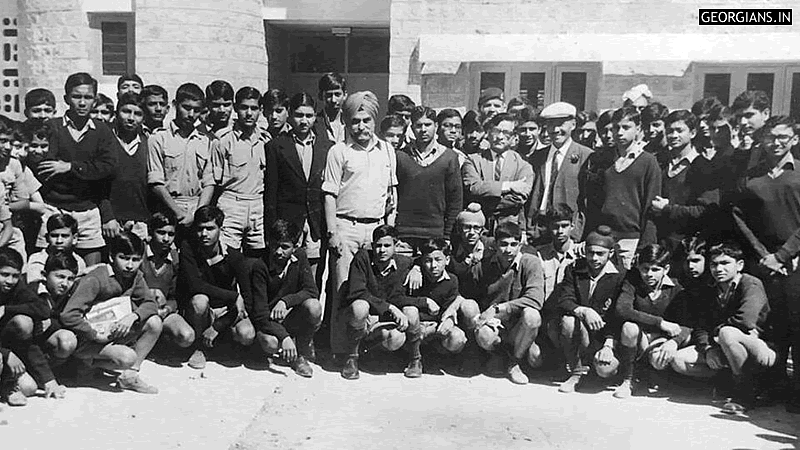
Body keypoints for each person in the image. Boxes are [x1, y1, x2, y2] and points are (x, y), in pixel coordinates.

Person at [731, 116, 800, 413]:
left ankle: (797, 394)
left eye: (783, 137)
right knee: (770, 328)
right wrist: (764, 256)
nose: (777, 142)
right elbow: (738, 217)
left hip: (795, 262)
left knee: (797, 328)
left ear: (794, 139)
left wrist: (784, 255)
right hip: (763, 264)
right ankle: (768, 388)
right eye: (771, 137)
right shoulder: (752, 177)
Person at [322, 91, 398, 356]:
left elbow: (392, 195)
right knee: (344, 291)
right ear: (346, 122)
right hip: (346, 229)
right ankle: (343, 352)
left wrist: (388, 231)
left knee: (375, 292)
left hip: (376, 231)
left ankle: (373, 350)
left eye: (366, 120)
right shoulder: (338, 151)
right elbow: (329, 195)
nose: (361, 126)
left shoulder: (387, 150)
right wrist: (333, 233)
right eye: (355, 121)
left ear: (375, 121)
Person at [671, 242, 774, 414]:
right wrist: (708, 348)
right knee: (678, 360)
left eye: (725, 263)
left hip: (761, 347)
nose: (718, 269)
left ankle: (745, 394)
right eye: (714, 264)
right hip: (725, 345)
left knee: (727, 333)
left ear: (739, 265)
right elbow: (701, 326)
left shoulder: (751, 284)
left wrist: (716, 332)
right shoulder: (711, 289)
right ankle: (727, 380)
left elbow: (745, 321)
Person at [60, 232, 162, 394]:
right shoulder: (96, 278)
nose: (130, 265)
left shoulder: (135, 276)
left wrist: (133, 316)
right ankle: (82, 363)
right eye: (124, 258)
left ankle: (129, 377)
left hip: (111, 331)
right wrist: (93, 335)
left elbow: (150, 303)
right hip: (87, 338)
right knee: (127, 357)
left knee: (154, 322)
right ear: (112, 257)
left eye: (135, 260)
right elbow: (69, 315)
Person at [37, 72, 118, 265]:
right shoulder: (52, 127)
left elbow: (108, 168)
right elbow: (45, 166)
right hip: (54, 208)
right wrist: (89, 171)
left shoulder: (102, 131)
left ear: (94, 100)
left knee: (93, 271)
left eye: (88, 98)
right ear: (66, 99)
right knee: (48, 267)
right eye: (76, 97)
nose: (82, 103)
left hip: (87, 210)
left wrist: (70, 167)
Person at [178, 206, 264, 369]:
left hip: (226, 312)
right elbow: (195, 285)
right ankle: (199, 347)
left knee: (247, 334)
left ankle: (225, 343)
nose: (204, 234)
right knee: (199, 301)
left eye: (210, 229)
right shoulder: (189, 249)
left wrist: (218, 326)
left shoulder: (234, 257)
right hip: (202, 311)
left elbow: (247, 299)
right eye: (200, 229)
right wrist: (233, 296)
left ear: (221, 229)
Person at [339, 225, 427, 379]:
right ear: (372, 245)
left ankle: (415, 360)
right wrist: (390, 307)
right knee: (360, 306)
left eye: (387, 245)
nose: (382, 250)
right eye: (378, 245)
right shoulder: (363, 258)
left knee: (408, 317)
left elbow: (422, 259)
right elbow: (357, 291)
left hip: (387, 320)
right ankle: (352, 358)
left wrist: (417, 268)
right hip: (366, 318)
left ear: (396, 246)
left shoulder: (404, 263)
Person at [265, 92, 332, 288]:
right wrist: (272, 227)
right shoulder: (276, 146)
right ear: (290, 115)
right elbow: (271, 191)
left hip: (314, 221)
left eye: (309, 116)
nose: (304, 121)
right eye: (299, 115)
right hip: (287, 221)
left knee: (313, 272)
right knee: (286, 273)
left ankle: (310, 314)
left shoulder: (327, 147)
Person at [553, 226, 626, 394]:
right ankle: (576, 372)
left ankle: (597, 372)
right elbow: (564, 300)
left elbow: (619, 314)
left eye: (600, 254)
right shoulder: (574, 268)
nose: (594, 258)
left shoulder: (621, 276)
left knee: (605, 370)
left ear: (611, 254)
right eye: (590, 252)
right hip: (582, 330)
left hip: (607, 335)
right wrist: (583, 310)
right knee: (568, 321)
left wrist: (608, 344)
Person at [471, 221, 545, 384]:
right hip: (496, 325)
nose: (508, 250)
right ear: (495, 245)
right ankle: (500, 354)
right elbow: (473, 295)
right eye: (503, 244)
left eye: (513, 244)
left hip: (520, 325)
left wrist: (499, 308)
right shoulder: (484, 265)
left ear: (520, 245)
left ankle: (515, 362)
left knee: (532, 317)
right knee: (483, 335)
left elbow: (535, 299)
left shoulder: (530, 262)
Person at [614, 244, 691, 398]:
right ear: (638, 266)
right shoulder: (632, 282)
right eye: (645, 268)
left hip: (660, 340)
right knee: (629, 327)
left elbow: (688, 325)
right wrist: (659, 322)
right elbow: (622, 309)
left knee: (658, 359)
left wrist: (673, 342)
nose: (649, 274)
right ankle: (628, 379)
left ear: (666, 269)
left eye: (656, 270)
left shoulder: (676, 288)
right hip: (637, 338)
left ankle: (650, 376)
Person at [254, 219, 321, 377]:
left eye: (285, 247)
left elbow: (311, 290)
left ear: (295, 246)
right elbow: (260, 313)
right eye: (275, 245)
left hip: (288, 314)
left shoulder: (300, 257)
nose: (278, 252)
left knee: (314, 306)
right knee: (271, 344)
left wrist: (285, 301)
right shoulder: (260, 266)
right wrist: (284, 337)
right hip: (269, 320)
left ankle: (300, 354)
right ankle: (273, 349)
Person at [147, 83, 215, 234]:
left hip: (197, 208)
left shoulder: (206, 141)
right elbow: (156, 183)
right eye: (186, 107)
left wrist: (198, 214)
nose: (191, 114)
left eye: (196, 110)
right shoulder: (158, 138)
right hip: (168, 209)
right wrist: (179, 213)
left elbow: (209, 182)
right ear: (175, 105)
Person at [599, 106, 661, 268]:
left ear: (638, 129)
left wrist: (644, 246)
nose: (619, 133)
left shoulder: (648, 162)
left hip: (631, 240)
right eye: (616, 128)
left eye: (626, 127)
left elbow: (651, 207)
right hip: (604, 237)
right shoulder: (604, 159)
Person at [211, 86, 268, 257]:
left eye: (254, 108)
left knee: (257, 259)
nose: (249, 113)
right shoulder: (222, 140)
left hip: (258, 204)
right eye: (244, 108)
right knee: (228, 258)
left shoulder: (266, 140)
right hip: (231, 203)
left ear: (261, 110)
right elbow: (215, 182)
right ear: (236, 108)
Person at [395, 106, 462, 252]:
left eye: (428, 125)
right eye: (418, 125)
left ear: (436, 126)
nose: (423, 130)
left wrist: (447, 236)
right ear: (412, 128)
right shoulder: (400, 156)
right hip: (405, 234)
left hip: (435, 235)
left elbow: (455, 200)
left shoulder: (450, 157)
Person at [650, 110, 721, 247]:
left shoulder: (704, 167)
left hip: (687, 244)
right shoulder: (659, 162)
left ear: (692, 133)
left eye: (679, 130)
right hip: (658, 242)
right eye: (670, 131)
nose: (674, 135)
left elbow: (704, 211)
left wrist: (668, 209)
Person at [527, 102, 592, 245]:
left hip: (566, 231)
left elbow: (586, 203)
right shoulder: (537, 157)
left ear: (573, 125)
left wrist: (576, 235)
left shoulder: (585, 156)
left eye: (561, 124)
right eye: (550, 124)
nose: (555, 129)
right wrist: (529, 229)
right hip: (538, 229)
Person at [0, 247, 56, 404]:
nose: (10, 281)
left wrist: (6, 309)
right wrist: (6, 354)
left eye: (15, 276)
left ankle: (5, 387)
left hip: (6, 344)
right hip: (2, 352)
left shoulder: (17, 288)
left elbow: (43, 310)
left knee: (29, 388)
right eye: (4, 274)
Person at [462, 113, 533, 231]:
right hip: (478, 227)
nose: (500, 137)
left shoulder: (523, 165)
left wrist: (483, 201)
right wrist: (508, 186)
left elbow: (519, 198)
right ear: (488, 133)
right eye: (496, 131)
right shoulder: (473, 160)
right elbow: (473, 188)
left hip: (509, 228)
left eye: (506, 133)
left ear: (514, 137)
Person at [416, 238, 478, 360]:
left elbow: (451, 305)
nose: (433, 265)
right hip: (418, 325)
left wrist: (449, 319)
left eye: (438, 260)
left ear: (447, 260)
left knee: (457, 337)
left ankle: (444, 358)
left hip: (436, 326)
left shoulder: (452, 280)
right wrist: (415, 268)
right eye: (428, 261)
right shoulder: (416, 278)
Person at [140, 212, 194, 349]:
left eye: (171, 234)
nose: (166, 239)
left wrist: (168, 308)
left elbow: (176, 297)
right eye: (161, 232)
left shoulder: (175, 260)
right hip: (138, 311)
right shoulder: (139, 254)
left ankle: (161, 343)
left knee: (187, 336)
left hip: (161, 312)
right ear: (151, 232)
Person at [101, 91, 150, 242]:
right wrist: (108, 216)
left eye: (137, 114)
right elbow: (97, 185)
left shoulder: (148, 143)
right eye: (126, 111)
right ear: (116, 113)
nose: (131, 118)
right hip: (111, 223)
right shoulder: (105, 140)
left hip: (140, 222)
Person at [33, 251, 79, 394]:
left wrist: (53, 323)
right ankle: (40, 375)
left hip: (47, 342)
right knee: (28, 388)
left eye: (70, 279)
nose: (65, 283)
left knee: (67, 340)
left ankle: (53, 372)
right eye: (60, 277)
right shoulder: (32, 292)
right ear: (44, 275)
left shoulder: (70, 293)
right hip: (26, 347)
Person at [579, 109, 616, 235]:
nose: (609, 135)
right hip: (595, 223)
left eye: (612, 130)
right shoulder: (595, 159)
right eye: (604, 131)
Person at [535, 204, 581, 302]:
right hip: (545, 310)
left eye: (564, 226)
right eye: (555, 227)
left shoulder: (580, 254)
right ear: (549, 227)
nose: (560, 231)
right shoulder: (540, 254)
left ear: (572, 226)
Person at [26, 213, 87, 284]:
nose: (59, 241)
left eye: (65, 236)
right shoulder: (37, 260)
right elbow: (34, 287)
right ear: (47, 238)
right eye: (54, 236)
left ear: (74, 238)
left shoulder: (79, 261)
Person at [315, 73, 347, 144]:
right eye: (329, 95)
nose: (333, 100)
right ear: (320, 96)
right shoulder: (314, 122)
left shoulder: (350, 122)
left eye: (337, 94)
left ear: (345, 95)